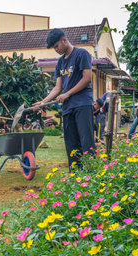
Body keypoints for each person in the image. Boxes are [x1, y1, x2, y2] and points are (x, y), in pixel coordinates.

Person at [33, 28, 95, 169]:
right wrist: (43, 102)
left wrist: (68, 94)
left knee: (86, 142)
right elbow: (57, 88)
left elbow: (87, 78)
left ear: (64, 40)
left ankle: (92, 175)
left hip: (82, 104)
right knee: (71, 144)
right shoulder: (60, 63)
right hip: (68, 108)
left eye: (56, 46)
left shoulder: (82, 54)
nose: (56, 50)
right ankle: (75, 177)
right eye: (54, 48)